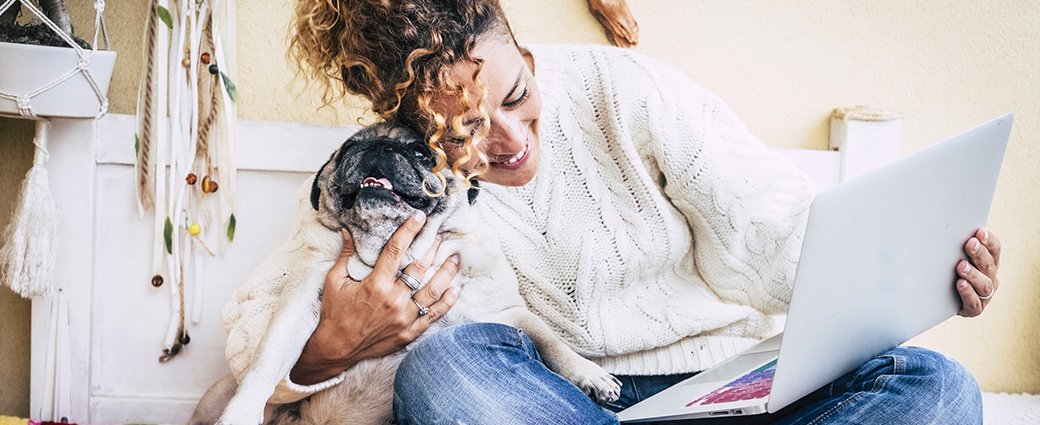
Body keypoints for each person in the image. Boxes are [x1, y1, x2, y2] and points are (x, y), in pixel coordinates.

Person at [225, 0, 1003, 423]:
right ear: (406, 124)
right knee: (446, 374)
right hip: (553, 400)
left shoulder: (624, 90)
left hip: (731, 387)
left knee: (937, 387)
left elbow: (776, 233)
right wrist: (327, 345)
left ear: (519, 42)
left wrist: (920, 271)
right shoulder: (378, 175)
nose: (506, 142)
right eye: (462, 130)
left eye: (519, 97)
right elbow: (253, 339)